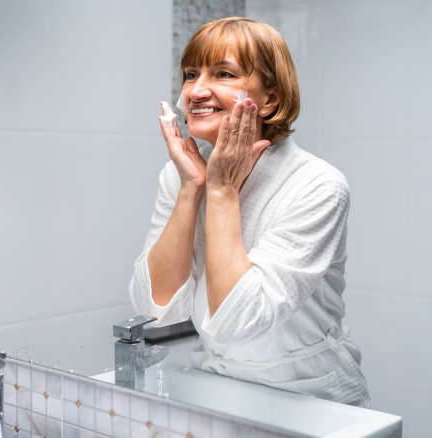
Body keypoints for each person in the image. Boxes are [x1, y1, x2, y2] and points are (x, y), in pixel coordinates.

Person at [129, 17, 370, 407]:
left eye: (223, 73)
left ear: (270, 99)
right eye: (190, 74)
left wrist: (222, 191)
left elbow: (240, 323)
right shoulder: (179, 176)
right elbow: (155, 309)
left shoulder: (317, 184)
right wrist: (193, 188)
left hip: (310, 396)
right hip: (222, 385)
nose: (196, 90)